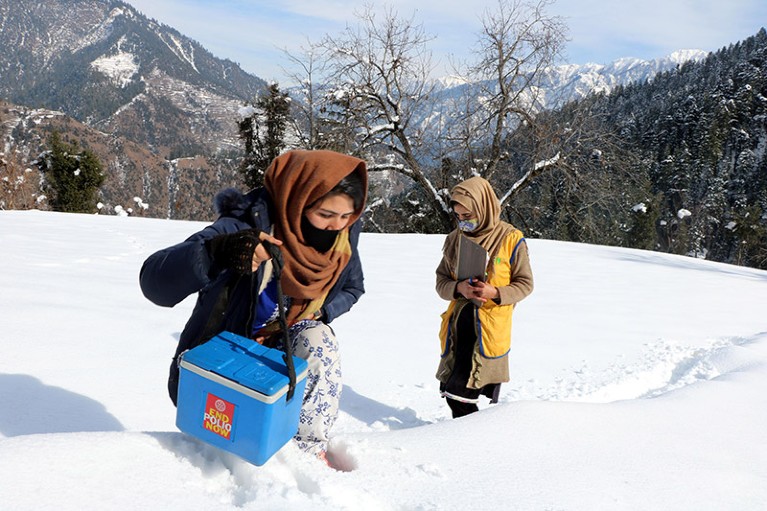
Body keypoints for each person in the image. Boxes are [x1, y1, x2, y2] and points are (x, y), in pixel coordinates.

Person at [139, 149, 367, 459]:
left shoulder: (343, 241)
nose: (335, 226)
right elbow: (155, 282)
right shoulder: (245, 226)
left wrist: (323, 311)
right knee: (226, 452)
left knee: (319, 339)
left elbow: (354, 287)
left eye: (345, 216)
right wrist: (218, 252)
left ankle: (305, 455)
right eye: (325, 215)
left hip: (281, 358)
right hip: (226, 360)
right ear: (298, 200)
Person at [435, 176, 533, 418]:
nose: (463, 222)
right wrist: (459, 288)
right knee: (452, 393)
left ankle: (476, 440)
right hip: (459, 330)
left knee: (463, 395)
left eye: (468, 216)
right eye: (459, 216)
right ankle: (469, 439)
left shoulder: (510, 239)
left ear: (483, 207)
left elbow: (525, 284)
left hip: (487, 331)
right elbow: (441, 282)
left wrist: (495, 293)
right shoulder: (455, 239)